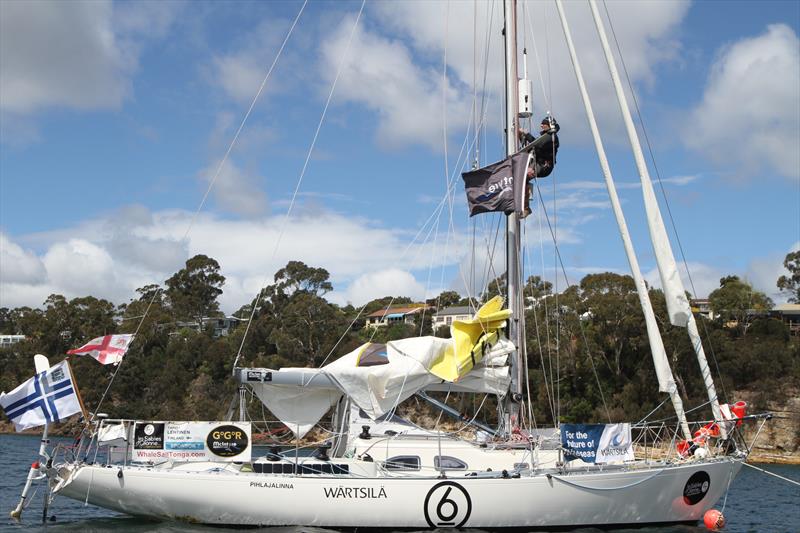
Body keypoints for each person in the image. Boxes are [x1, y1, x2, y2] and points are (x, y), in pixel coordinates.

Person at [518, 116, 560, 217]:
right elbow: (533, 145)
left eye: (544, 124)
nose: (541, 125)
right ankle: (516, 203)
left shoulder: (552, 137)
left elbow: (537, 145)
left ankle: (526, 208)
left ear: (550, 125)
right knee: (518, 177)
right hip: (537, 163)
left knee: (523, 177)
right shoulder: (545, 136)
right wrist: (520, 134)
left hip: (544, 166)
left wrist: (526, 134)